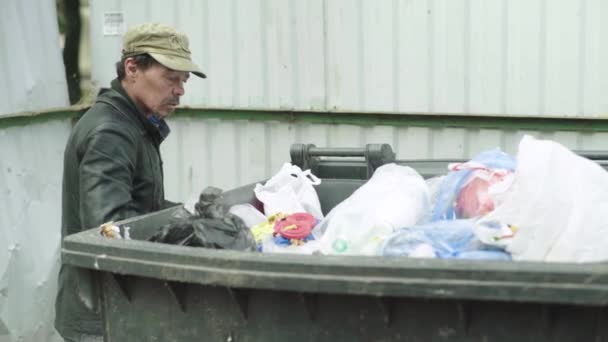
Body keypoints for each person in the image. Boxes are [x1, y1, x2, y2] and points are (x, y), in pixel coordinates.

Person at [54, 23, 205, 341]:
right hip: (105, 316)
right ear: (132, 68)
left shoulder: (134, 124)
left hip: (118, 306)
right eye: (171, 78)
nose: (180, 91)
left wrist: (194, 215)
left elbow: (138, 206)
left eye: (183, 80)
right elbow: (110, 230)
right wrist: (187, 232)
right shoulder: (111, 132)